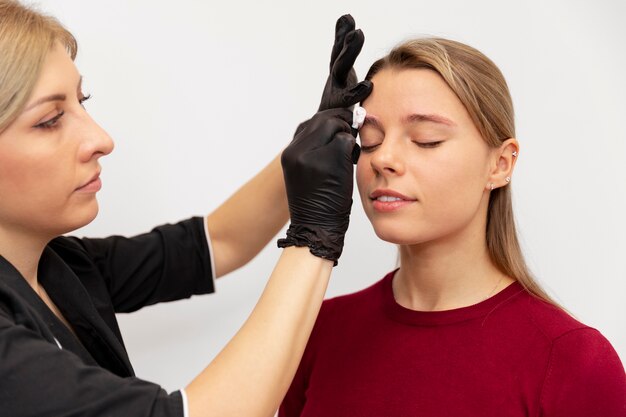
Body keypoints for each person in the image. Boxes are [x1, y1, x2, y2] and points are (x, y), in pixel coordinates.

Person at [0, 2, 373, 416]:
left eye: (82, 102)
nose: (101, 139)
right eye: (51, 119)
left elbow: (219, 241)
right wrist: (315, 238)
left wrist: (314, 140)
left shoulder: (61, 267)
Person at [279, 37, 626, 416]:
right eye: (371, 139)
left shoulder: (572, 361)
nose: (385, 159)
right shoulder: (319, 331)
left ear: (500, 164)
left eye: (426, 140)